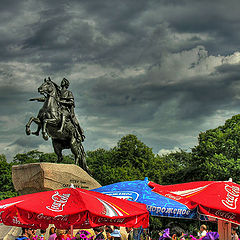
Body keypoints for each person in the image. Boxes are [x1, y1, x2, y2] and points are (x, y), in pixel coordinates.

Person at [57, 78, 85, 142]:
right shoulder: (58, 92)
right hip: (58, 109)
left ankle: (79, 134)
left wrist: (62, 102)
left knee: (65, 115)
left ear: (66, 84)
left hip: (65, 109)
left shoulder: (69, 92)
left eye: (64, 81)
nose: (62, 82)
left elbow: (72, 102)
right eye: (62, 81)